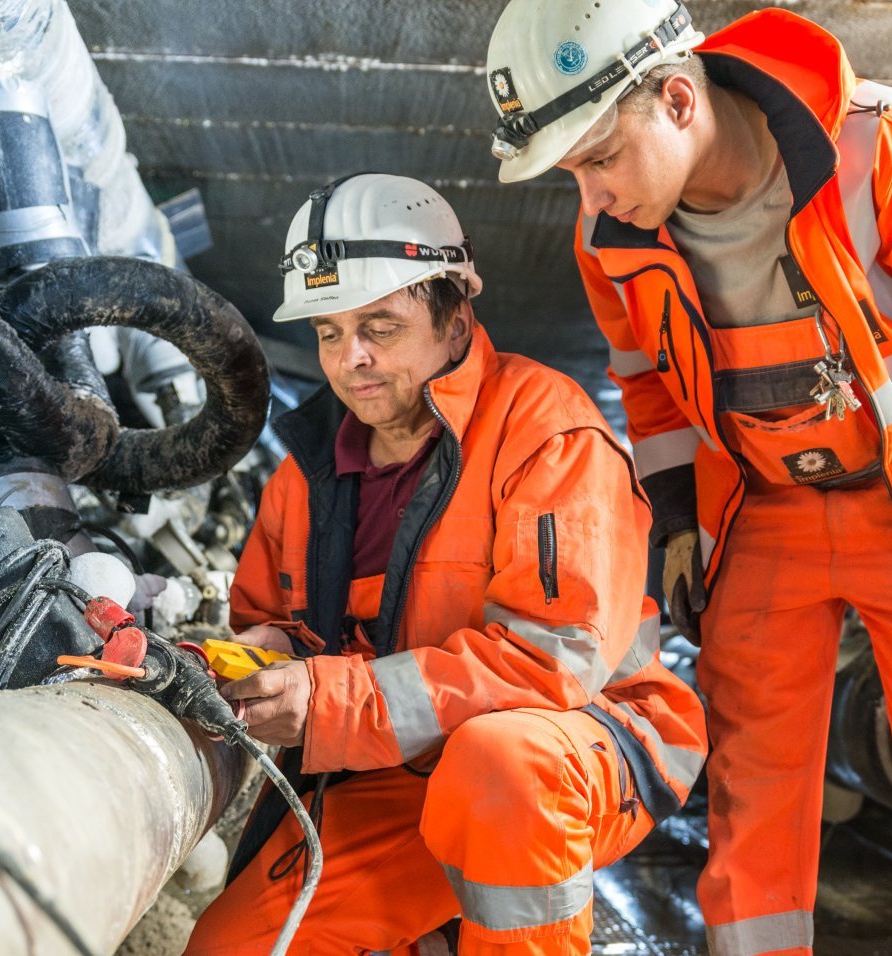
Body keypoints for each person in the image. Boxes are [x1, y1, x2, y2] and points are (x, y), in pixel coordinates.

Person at [483, 3, 892, 954]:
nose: (589, 195)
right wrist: (675, 526)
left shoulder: (887, 149)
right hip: (760, 512)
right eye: (572, 172)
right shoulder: (609, 241)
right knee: (750, 798)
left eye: (597, 157)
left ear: (675, 99)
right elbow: (650, 397)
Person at [185, 173, 707, 955]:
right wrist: (269, 658)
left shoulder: (545, 431)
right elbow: (276, 623)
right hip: (397, 766)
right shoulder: (306, 474)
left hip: (577, 747)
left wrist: (330, 703)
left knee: (498, 764)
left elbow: (548, 664)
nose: (350, 359)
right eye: (328, 333)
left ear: (456, 312)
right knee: (233, 948)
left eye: (380, 327)